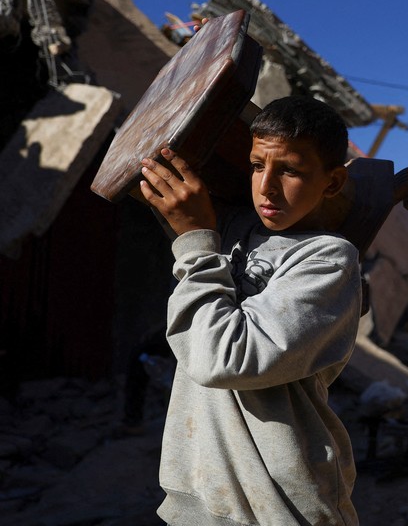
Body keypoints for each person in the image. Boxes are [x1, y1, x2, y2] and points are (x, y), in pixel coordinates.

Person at [138, 95, 362, 525]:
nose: (266, 186)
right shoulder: (234, 226)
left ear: (331, 183)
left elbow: (224, 360)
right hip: (199, 495)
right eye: (258, 166)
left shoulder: (329, 259)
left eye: (290, 170)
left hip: (281, 503)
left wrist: (198, 246)